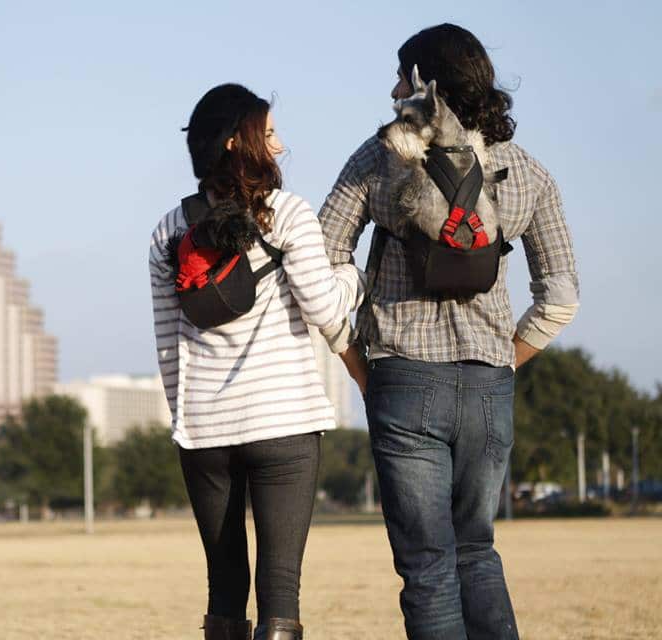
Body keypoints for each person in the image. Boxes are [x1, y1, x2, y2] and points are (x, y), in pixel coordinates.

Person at [318, 24, 580, 640]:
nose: (391, 88)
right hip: (490, 384)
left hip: (403, 377)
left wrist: (357, 362)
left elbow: (323, 261)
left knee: (427, 567)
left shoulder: (378, 157)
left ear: (424, 86)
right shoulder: (526, 172)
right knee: (477, 551)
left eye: (400, 76)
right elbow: (561, 294)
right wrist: (507, 360)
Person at [149, 84, 365, 640]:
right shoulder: (287, 214)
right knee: (280, 591)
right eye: (268, 134)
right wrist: (356, 279)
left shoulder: (168, 232)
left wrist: (186, 418)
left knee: (223, 587)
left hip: (205, 433)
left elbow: (168, 346)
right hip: (283, 425)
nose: (280, 145)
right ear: (237, 143)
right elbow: (324, 307)